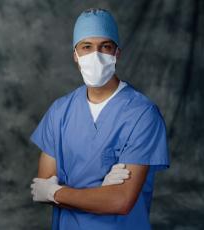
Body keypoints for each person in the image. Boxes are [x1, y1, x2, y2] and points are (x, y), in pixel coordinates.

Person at [30, 8, 169, 230]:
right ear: (75, 55)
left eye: (105, 46)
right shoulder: (60, 112)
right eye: (87, 47)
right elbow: (41, 186)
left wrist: (57, 192)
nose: (96, 55)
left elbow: (120, 201)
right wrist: (99, 195)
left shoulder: (142, 115)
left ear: (117, 54)